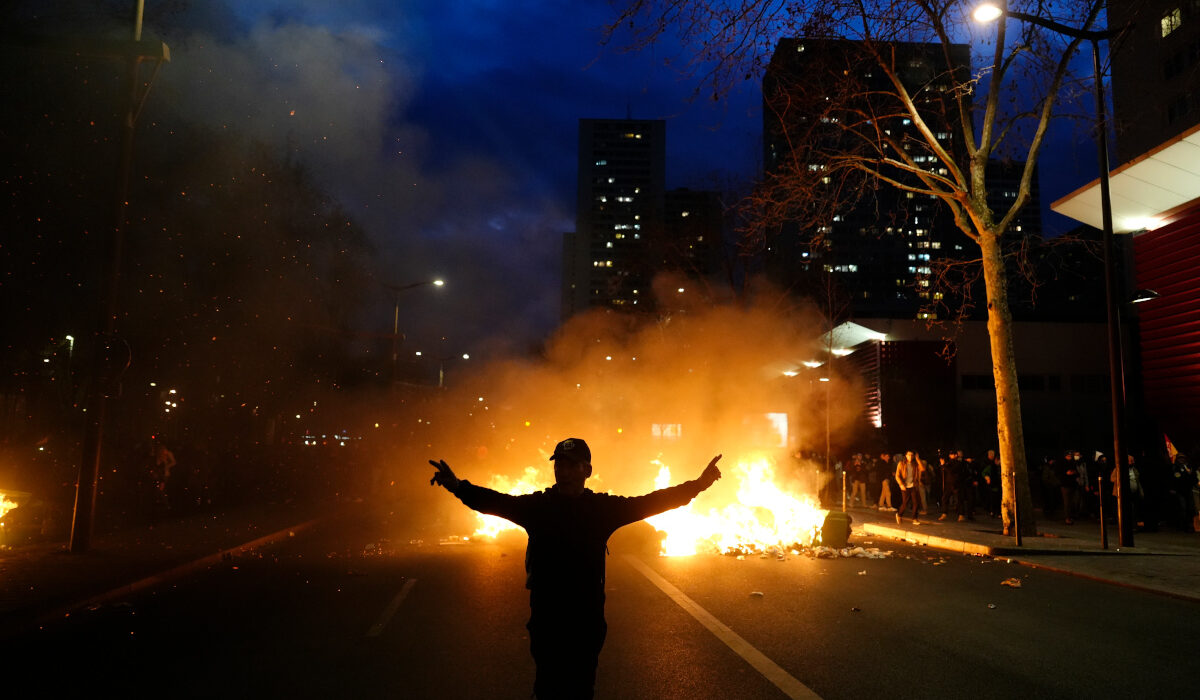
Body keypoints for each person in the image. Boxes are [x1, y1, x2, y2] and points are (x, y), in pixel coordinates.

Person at [429, 438, 722, 699]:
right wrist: (457, 486)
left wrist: (698, 485)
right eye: (559, 465)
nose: (563, 471)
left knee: (581, 687)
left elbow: (651, 503)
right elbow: (495, 502)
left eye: (571, 465)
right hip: (547, 617)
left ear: (587, 471)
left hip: (586, 619)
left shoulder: (601, 509)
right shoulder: (538, 507)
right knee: (548, 686)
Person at [894, 450, 921, 525]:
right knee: (905, 503)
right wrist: (901, 484)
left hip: (913, 485)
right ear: (906, 455)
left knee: (916, 503)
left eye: (912, 455)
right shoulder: (901, 463)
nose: (910, 456)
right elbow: (897, 475)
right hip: (905, 486)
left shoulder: (915, 464)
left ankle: (914, 518)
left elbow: (923, 469)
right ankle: (899, 514)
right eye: (909, 455)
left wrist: (918, 459)